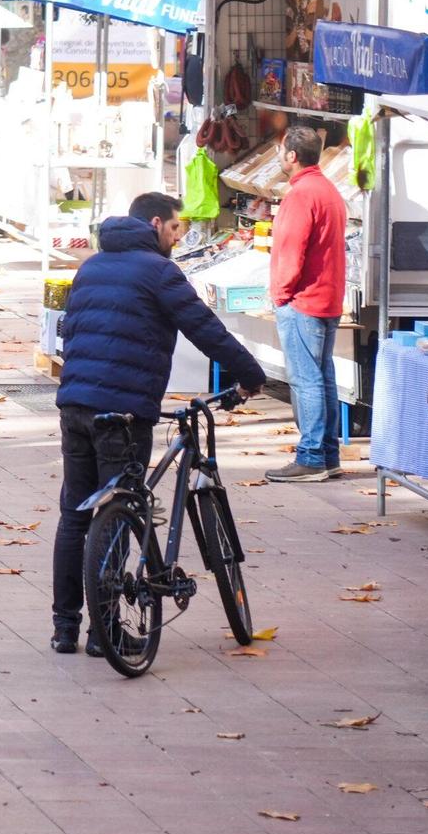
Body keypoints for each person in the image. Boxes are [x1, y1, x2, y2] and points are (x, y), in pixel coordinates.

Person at [49, 192, 266, 655]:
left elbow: (70, 329)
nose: (176, 238)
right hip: (123, 411)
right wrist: (249, 375)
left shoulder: (91, 266)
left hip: (75, 405)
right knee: (120, 512)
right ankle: (104, 633)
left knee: (74, 515)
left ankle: (65, 627)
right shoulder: (160, 270)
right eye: (174, 230)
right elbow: (203, 327)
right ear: (154, 224)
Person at [265, 126, 350, 481]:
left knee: (307, 380)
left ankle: (313, 455)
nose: (280, 155)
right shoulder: (328, 190)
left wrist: (281, 294)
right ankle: (327, 454)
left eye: (282, 150)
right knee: (322, 378)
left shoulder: (301, 195)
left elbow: (290, 249)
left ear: (292, 156)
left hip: (305, 299)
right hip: (326, 296)